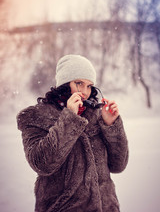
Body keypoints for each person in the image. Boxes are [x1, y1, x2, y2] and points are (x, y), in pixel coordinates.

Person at [17, 54, 129, 212]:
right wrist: (69, 118)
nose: (85, 91)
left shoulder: (96, 115)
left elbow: (118, 165)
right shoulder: (36, 117)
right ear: (64, 83)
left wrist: (111, 125)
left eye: (89, 86)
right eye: (79, 83)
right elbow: (41, 164)